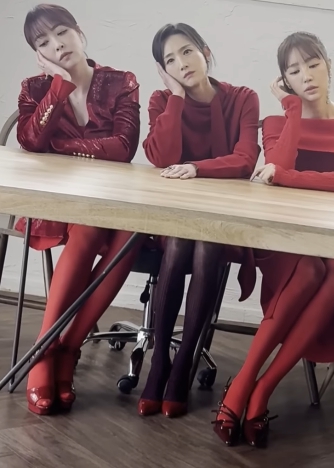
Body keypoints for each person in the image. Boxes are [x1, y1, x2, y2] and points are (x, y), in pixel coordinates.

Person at [212, 31, 334, 448]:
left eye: (313, 64)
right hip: (283, 240)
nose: (307, 75)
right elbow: (277, 169)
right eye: (294, 70)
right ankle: (245, 385)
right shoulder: (277, 122)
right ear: (284, 80)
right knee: (308, 271)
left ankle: (258, 390)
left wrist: (287, 177)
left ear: (328, 66)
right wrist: (292, 111)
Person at [16, 3, 142, 415]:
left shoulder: (121, 82)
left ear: (79, 32)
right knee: (88, 227)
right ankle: (45, 352)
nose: (57, 45)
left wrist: (62, 146)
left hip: (113, 199)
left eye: (61, 32)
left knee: (131, 236)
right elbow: (30, 141)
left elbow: (123, 148)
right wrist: (59, 87)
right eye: (43, 42)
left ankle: (67, 349)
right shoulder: (35, 89)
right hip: (59, 202)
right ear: (38, 53)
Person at [138, 23, 260, 418]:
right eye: (170, 60)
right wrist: (176, 99)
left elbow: (245, 160)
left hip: (220, 220)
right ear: (164, 70)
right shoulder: (162, 100)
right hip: (172, 219)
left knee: (206, 240)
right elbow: (160, 157)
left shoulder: (242, 98)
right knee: (180, 239)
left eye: (187, 52)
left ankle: (183, 364)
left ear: (205, 52)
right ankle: (160, 362)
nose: (182, 64)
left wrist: (195, 167)